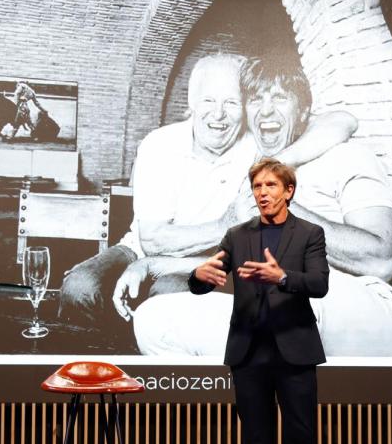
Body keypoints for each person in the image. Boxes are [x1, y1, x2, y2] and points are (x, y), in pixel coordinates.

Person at [59, 53, 357, 336]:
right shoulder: (159, 144)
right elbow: (153, 240)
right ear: (191, 104)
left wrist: (278, 163)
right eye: (209, 101)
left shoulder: (258, 143)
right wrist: (226, 222)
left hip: (212, 260)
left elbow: (343, 121)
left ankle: (155, 362)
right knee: (79, 288)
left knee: (167, 294)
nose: (218, 114)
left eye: (231, 102)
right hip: (139, 251)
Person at [132, 55, 392, 357]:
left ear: (304, 113)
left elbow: (383, 260)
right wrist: (149, 265)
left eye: (279, 98)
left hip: (358, 304)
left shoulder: (346, 156)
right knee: (154, 321)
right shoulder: (252, 167)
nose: (266, 110)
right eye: (256, 99)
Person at [190, 158, 329, 444]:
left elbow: (319, 283)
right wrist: (196, 276)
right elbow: (207, 276)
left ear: (289, 191)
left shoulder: (310, 233)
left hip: (295, 352)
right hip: (249, 353)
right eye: (257, 187)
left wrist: (282, 277)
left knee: (301, 442)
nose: (263, 193)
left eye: (270, 186)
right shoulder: (238, 235)